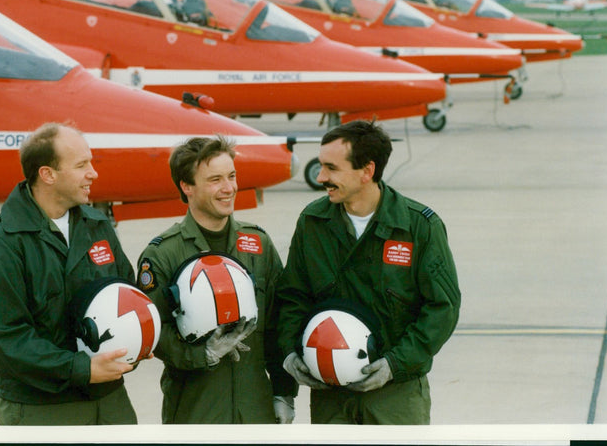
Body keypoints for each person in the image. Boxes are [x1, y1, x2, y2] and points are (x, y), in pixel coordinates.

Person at [276, 120, 461, 425]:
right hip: (330, 396)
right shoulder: (313, 222)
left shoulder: (418, 227)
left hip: (395, 395)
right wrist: (289, 352)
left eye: (332, 168)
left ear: (367, 171)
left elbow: (443, 307)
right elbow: (292, 296)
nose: (321, 177)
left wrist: (394, 364)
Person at [0, 122, 139, 425]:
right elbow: (9, 339)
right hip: (42, 410)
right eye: (81, 165)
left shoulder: (96, 226)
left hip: (110, 403)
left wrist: (140, 338)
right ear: (47, 174)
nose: (93, 173)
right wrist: (81, 369)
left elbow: (125, 292)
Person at [136, 135, 297, 424]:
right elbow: (152, 333)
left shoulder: (258, 244)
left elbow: (279, 324)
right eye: (215, 180)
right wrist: (202, 355)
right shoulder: (163, 254)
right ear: (187, 187)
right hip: (194, 412)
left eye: (232, 176)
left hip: (255, 409)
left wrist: (284, 392)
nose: (229, 188)